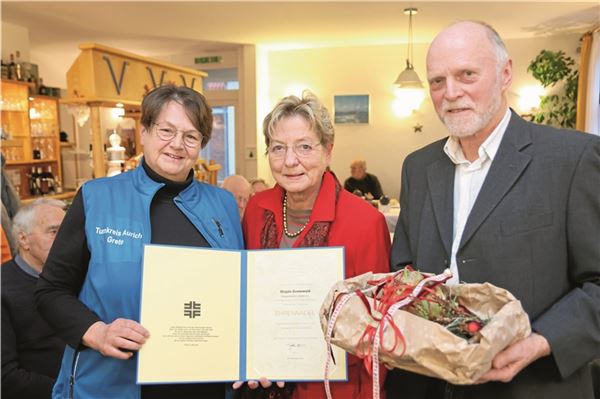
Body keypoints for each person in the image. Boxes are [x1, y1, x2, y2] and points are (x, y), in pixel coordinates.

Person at [386, 21, 600, 399]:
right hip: (426, 386)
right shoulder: (417, 167)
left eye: (466, 74)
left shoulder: (573, 158)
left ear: (505, 74)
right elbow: (404, 273)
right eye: (437, 81)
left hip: (531, 386)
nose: (450, 93)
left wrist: (538, 342)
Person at [35, 85, 244, 399]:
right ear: (144, 131)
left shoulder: (224, 204)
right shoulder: (97, 197)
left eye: (191, 136)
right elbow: (51, 291)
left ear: (201, 144)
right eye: (166, 130)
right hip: (113, 382)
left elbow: (239, 294)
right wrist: (97, 333)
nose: (177, 144)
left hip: (206, 384)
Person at [242, 92, 391, 399]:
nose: (290, 161)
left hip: (335, 385)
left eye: (305, 147)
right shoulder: (257, 210)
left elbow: (379, 324)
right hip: (265, 383)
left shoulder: (366, 221)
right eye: (278, 148)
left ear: (328, 151)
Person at [2, 199, 66, 399]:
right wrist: (69, 392)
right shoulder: (4, 290)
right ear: (23, 239)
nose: (65, 240)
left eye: (68, 231)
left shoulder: (75, 277)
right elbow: (5, 378)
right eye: (54, 232)